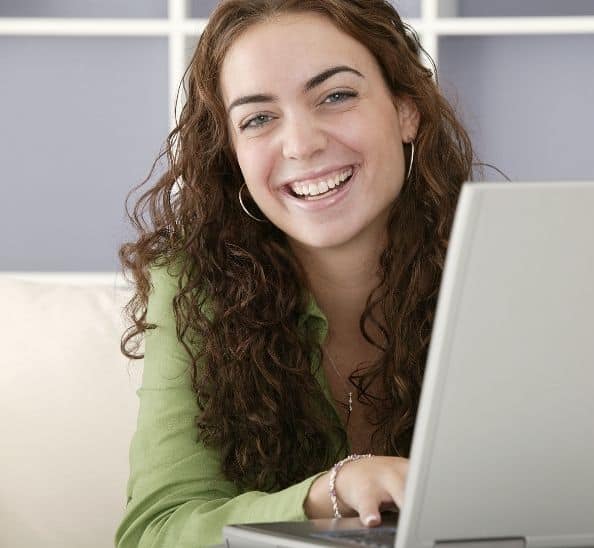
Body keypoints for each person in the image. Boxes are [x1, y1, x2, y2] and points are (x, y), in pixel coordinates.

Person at [115, 0, 473, 547]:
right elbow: (156, 532)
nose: (302, 143)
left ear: (407, 109)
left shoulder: (497, 262)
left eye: (336, 96)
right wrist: (327, 491)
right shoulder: (193, 284)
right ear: (232, 151)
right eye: (258, 118)